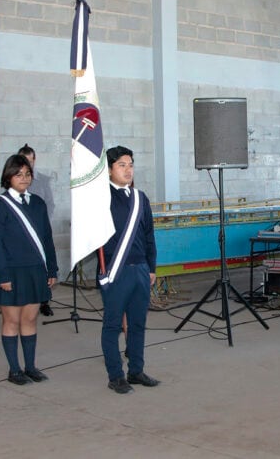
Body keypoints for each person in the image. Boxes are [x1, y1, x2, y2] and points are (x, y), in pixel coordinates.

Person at [0, 154, 58, 386]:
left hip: (35, 270)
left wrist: (52, 269)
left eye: (27, 174)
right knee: (11, 321)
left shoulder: (38, 203)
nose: (24, 178)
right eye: (18, 174)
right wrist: (3, 274)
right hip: (11, 272)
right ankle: (14, 369)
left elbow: (47, 239)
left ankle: (30, 366)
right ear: (8, 177)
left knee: (29, 319)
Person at [98, 146, 159, 394]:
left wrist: (151, 267)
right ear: (109, 169)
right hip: (115, 271)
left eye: (130, 164)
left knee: (137, 324)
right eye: (121, 165)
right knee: (112, 325)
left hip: (141, 271)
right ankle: (115, 375)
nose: (128, 169)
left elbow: (149, 235)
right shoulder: (99, 198)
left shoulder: (140, 198)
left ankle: (136, 370)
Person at [18, 144, 57, 317]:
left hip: (40, 231)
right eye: (23, 160)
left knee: (43, 267)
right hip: (21, 232)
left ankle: (44, 301)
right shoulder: (14, 180)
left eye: (30, 161)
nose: (27, 164)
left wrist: (43, 224)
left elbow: (50, 203)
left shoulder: (42, 180)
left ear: (34, 161)